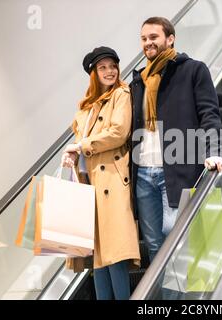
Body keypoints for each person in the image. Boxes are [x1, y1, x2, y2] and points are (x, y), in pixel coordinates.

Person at [130, 17, 222, 263]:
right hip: (143, 173)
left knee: (176, 235)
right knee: (153, 243)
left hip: (177, 168)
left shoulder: (193, 70)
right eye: (143, 39)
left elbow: (209, 114)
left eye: (153, 37)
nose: (148, 43)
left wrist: (213, 151)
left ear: (170, 39)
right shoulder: (138, 81)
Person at [62, 46, 140, 300]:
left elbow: (119, 133)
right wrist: (71, 154)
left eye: (113, 66)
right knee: (98, 256)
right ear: (93, 73)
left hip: (113, 182)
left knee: (115, 252)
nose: (109, 71)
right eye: (102, 67)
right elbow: (81, 145)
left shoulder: (121, 94)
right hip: (88, 184)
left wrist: (81, 146)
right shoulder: (85, 108)